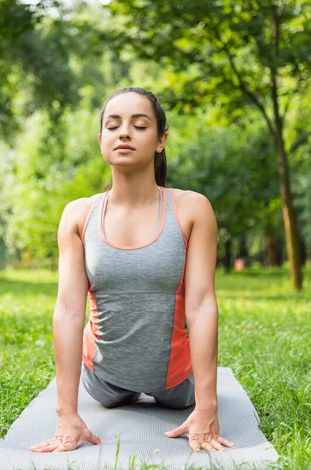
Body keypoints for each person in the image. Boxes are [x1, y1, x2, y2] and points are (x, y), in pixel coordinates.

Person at [30, 87, 235, 455]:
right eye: (113, 125)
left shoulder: (192, 209)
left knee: (180, 399)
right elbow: (68, 310)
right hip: (102, 381)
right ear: (101, 140)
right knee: (109, 394)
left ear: (161, 141)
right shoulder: (78, 215)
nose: (124, 133)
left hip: (177, 384)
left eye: (139, 125)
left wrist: (207, 407)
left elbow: (202, 305)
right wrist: (66, 414)